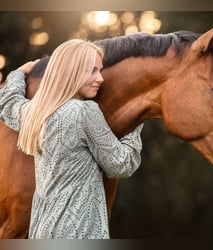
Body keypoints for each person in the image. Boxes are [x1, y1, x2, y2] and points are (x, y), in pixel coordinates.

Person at [0, 39, 143, 239]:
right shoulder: (85, 112)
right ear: (70, 73)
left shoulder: (35, 113)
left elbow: (7, 102)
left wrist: (18, 73)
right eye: (92, 70)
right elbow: (121, 165)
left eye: (100, 70)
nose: (100, 78)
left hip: (42, 232)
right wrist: (135, 122)